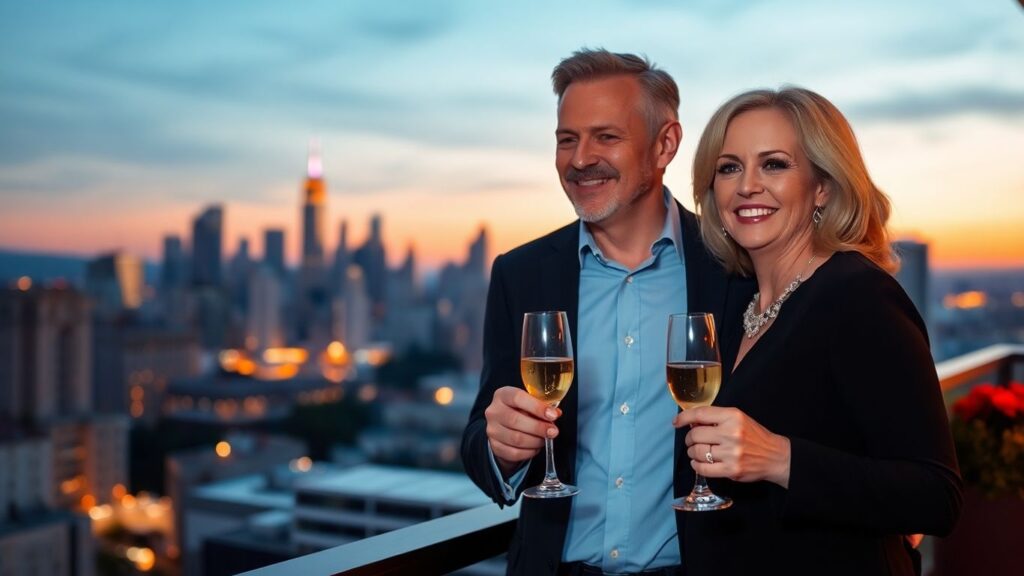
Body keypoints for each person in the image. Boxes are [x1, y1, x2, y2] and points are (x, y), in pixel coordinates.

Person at [461, 49, 752, 576]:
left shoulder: (735, 270)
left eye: (606, 137)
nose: (579, 159)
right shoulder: (520, 274)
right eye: (566, 139)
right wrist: (503, 450)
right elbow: (481, 448)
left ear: (665, 144)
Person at [675, 87, 963, 575]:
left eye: (774, 165)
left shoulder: (857, 296)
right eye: (728, 167)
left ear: (823, 186)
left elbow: (937, 496)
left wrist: (781, 459)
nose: (746, 185)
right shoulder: (734, 307)